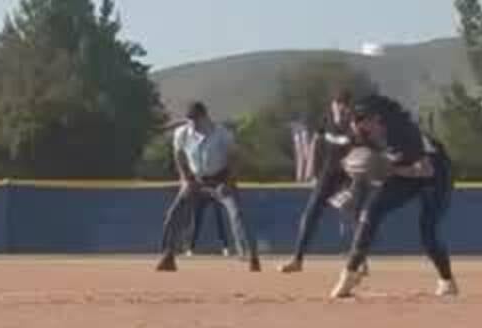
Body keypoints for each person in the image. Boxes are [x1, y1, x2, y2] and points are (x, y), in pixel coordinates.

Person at [330, 93, 456, 299]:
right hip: (404, 171)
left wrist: (388, 170)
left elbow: (426, 171)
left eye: (361, 120)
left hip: (435, 172)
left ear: (376, 119)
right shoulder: (362, 134)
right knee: (371, 211)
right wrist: (352, 189)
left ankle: (447, 281)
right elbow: (362, 164)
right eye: (355, 122)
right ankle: (350, 274)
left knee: (428, 231)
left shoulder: (404, 132)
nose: (357, 126)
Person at [155, 102, 260, 272]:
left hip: (221, 178)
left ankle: (252, 257)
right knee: (175, 213)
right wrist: (186, 178)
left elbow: (234, 159)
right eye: (190, 121)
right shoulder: (182, 133)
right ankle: (168, 256)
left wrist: (227, 182)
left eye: (196, 120)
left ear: (205, 117)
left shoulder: (222, 134)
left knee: (237, 215)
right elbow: (179, 155)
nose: (193, 124)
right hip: (196, 179)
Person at [280, 89, 370, 273]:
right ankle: (297, 260)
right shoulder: (326, 120)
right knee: (310, 214)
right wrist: (312, 170)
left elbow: (364, 152)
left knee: (351, 215)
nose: (341, 109)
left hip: (349, 176)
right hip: (328, 175)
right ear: (333, 105)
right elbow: (316, 141)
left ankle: (360, 262)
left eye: (345, 105)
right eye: (338, 104)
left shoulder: (356, 125)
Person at [185, 191, 233, 257]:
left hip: (216, 192)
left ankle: (225, 247)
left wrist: (215, 191)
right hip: (202, 193)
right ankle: (189, 248)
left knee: (220, 220)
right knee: (197, 221)